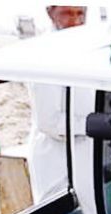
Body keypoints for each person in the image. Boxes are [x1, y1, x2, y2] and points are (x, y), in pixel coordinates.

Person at [27, 6, 87, 203]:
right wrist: (94, 124)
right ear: (50, 13)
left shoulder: (85, 48)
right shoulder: (42, 55)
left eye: (80, 14)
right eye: (68, 14)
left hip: (82, 157)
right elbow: (50, 122)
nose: (76, 22)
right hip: (55, 162)